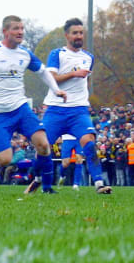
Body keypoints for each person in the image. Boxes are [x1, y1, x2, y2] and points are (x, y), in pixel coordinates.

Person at [0, 15, 67, 193]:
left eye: (22, 28)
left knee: (43, 144)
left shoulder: (24, 53)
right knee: (4, 160)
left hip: (20, 108)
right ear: (5, 32)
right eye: (16, 29)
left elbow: (42, 72)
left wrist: (56, 89)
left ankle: (45, 186)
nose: (20, 32)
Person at [40, 18, 111, 194]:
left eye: (81, 33)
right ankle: (40, 182)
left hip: (78, 110)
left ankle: (99, 184)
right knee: (43, 147)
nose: (79, 36)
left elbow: (82, 82)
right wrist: (74, 74)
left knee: (89, 143)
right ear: (67, 35)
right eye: (75, 33)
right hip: (56, 108)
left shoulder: (89, 58)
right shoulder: (57, 54)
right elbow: (52, 79)